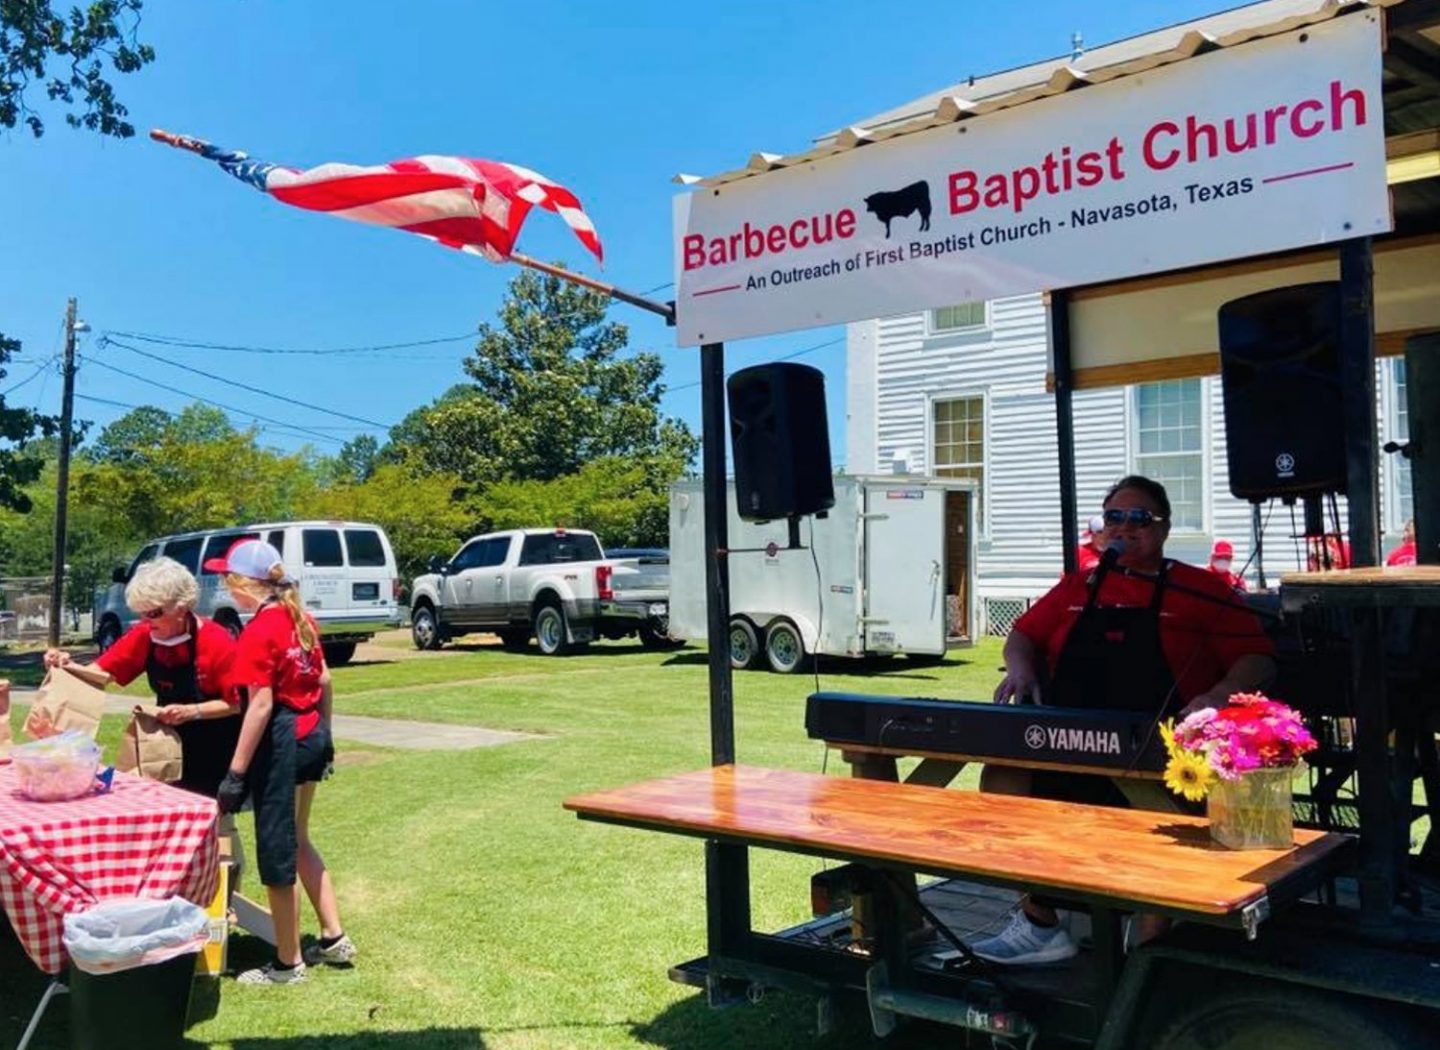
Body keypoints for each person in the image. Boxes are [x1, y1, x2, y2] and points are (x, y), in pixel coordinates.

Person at [972, 475, 1276, 966]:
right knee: (1003, 779)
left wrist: (1217, 696)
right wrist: (1022, 667)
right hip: (1064, 741)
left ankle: (1151, 938)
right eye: (1114, 516)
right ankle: (1041, 921)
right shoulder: (1080, 584)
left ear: (1164, 528)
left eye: (1140, 518)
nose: (1125, 527)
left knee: (1159, 808)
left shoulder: (1200, 588)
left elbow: (1257, 659)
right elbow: (1022, 636)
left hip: (1163, 748)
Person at [209, 539, 353, 986]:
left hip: (285, 743)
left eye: (227, 579)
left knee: (277, 850)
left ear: (244, 584)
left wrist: (235, 772)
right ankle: (333, 938)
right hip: (311, 735)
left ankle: (288, 965)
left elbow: (260, 706)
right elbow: (324, 680)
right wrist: (326, 735)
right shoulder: (300, 618)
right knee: (300, 837)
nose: (224, 588)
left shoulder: (259, 630)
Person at [43, 557, 241, 799]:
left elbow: (236, 704)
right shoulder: (145, 634)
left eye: (154, 613)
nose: (146, 621)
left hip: (215, 743)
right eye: (141, 613)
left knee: (216, 821)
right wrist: (65, 665)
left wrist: (193, 711)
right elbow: (98, 675)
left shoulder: (216, 641)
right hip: (166, 743)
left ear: (182, 607)